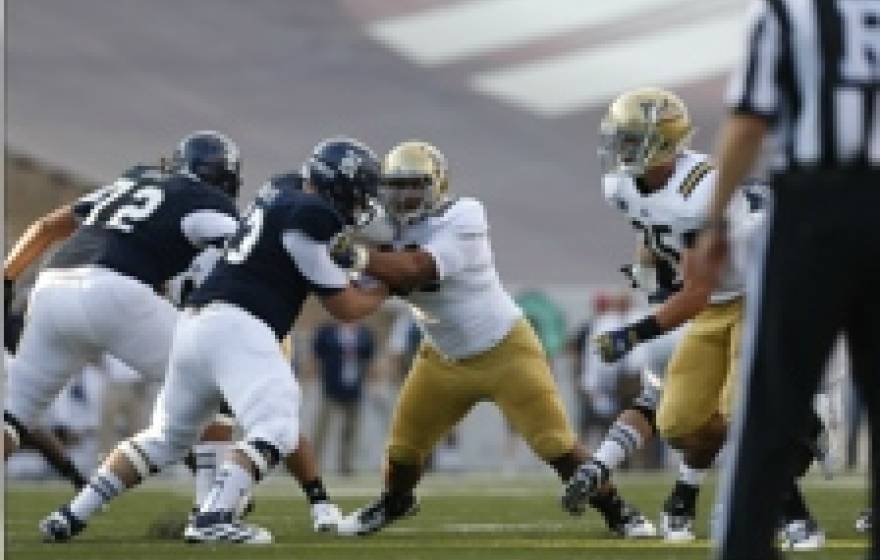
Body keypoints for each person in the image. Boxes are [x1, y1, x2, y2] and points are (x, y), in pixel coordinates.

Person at [39, 137, 388, 545]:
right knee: (277, 424)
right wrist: (387, 287)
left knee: (165, 437)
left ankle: (71, 514)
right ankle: (214, 517)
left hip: (193, 325)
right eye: (358, 194)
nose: (361, 205)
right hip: (239, 324)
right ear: (339, 188)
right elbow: (345, 307)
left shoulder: (283, 189)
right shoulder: (311, 215)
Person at [562, 88, 823, 548]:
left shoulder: (701, 191)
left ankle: (795, 518)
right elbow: (652, 228)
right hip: (715, 300)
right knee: (678, 422)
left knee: (747, 413)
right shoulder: (621, 185)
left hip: (760, 293)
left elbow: (696, 292)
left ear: (661, 143)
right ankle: (789, 436)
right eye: (618, 139)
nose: (619, 150)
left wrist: (631, 335)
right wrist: (647, 266)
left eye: (630, 140)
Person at [692, 1, 880, 558]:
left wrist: (714, 222)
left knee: (773, 399)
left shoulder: (784, 12)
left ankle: (747, 544)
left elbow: (749, 119)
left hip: (812, 207)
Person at [333, 140, 590, 536]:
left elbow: (418, 269)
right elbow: (368, 294)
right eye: (395, 186)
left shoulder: (464, 216)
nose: (404, 196)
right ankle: (394, 502)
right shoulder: (379, 228)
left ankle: (618, 510)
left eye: (414, 185)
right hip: (442, 354)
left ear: (437, 184)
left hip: (504, 347)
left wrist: (359, 257)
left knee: (554, 444)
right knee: (402, 450)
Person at [4, 131, 241, 464]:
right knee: (219, 382)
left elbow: (47, 227)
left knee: (13, 417)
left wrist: (6, 278)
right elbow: (248, 252)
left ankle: (198, 477)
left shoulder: (133, 181)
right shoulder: (208, 202)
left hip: (51, 287)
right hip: (114, 290)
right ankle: (213, 506)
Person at [311, 320, 376, 475]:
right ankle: (312, 463)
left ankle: (346, 464)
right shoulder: (327, 331)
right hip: (331, 387)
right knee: (322, 427)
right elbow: (316, 356)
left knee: (350, 429)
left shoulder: (364, 333)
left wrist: (372, 381)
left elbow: (369, 358)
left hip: (354, 386)